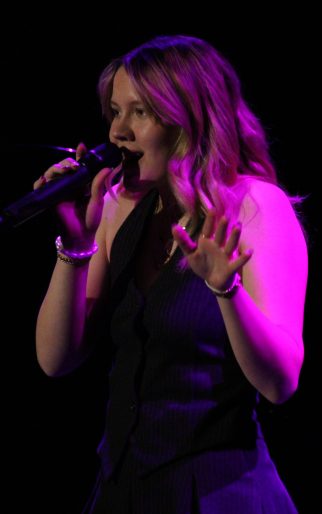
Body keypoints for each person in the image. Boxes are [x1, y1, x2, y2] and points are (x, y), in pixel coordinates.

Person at [34, 35, 308, 513]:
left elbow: (280, 381)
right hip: (122, 491)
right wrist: (77, 242)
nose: (117, 132)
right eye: (114, 112)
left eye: (138, 113)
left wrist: (227, 289)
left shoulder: (255, 207)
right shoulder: (119, 208)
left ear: (188, 120)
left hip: (220, 495)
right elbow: (56, 359)